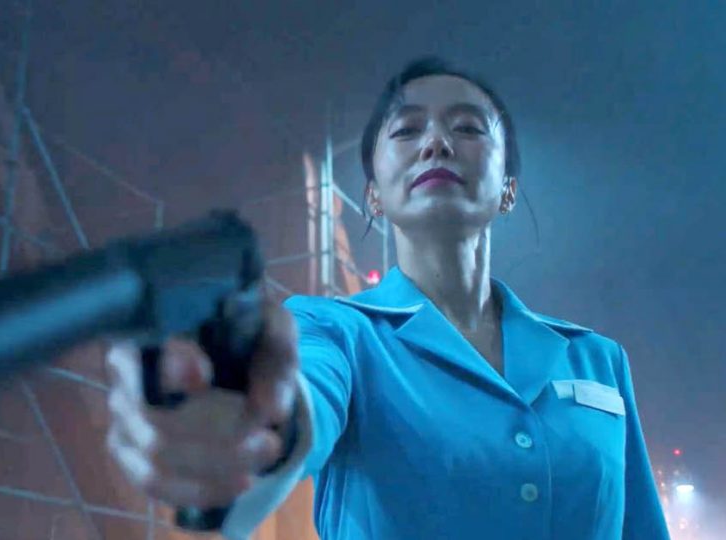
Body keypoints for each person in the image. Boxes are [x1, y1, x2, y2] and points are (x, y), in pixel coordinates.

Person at [104, 56, 670, 539]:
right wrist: (246, 422)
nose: (436, 142)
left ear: (508, 190)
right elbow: (299, 401)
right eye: (406, 130)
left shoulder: (598, 360)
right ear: (374, 195)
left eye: (468, 127)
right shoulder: (335, 332)